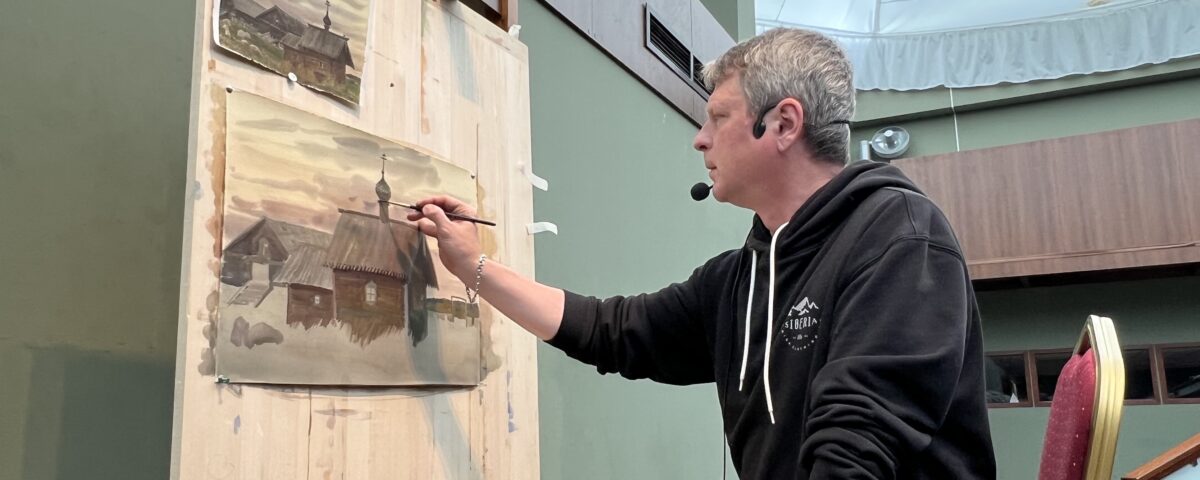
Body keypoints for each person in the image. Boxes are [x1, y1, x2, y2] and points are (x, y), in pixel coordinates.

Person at [407, 27, 996, 479]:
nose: (700, 139)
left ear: (783, 124)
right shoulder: (740, 279)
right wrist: (472, 266)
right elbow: (611, 330)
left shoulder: (899, 240)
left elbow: (856, 450)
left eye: (718, 117)